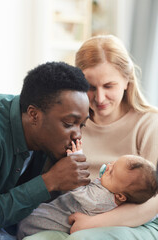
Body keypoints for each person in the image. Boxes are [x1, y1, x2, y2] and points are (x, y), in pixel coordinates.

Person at [23, 35, 158, 240]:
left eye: (109, 86)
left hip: (134, 220)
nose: (100, 98)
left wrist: (90, 224)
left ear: (127, 80)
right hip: (70, 216)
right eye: (91, 87)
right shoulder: (69, 123)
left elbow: (153, 202)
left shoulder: (149, 124)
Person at [0, 61, 91, 240]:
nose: (77, 136)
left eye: (82, 125)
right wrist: (49, 182)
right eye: (69, 124)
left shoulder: (46, 141)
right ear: (34, 115)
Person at [17, 140, 158, 240]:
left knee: (29, 222)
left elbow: (78, 189)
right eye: (113, 163)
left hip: (49, 222)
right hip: (54, 212)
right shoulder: (110, 189)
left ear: (120, 196)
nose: (107, 166)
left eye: (111, 172)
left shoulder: (100, 200)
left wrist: (75, 159)